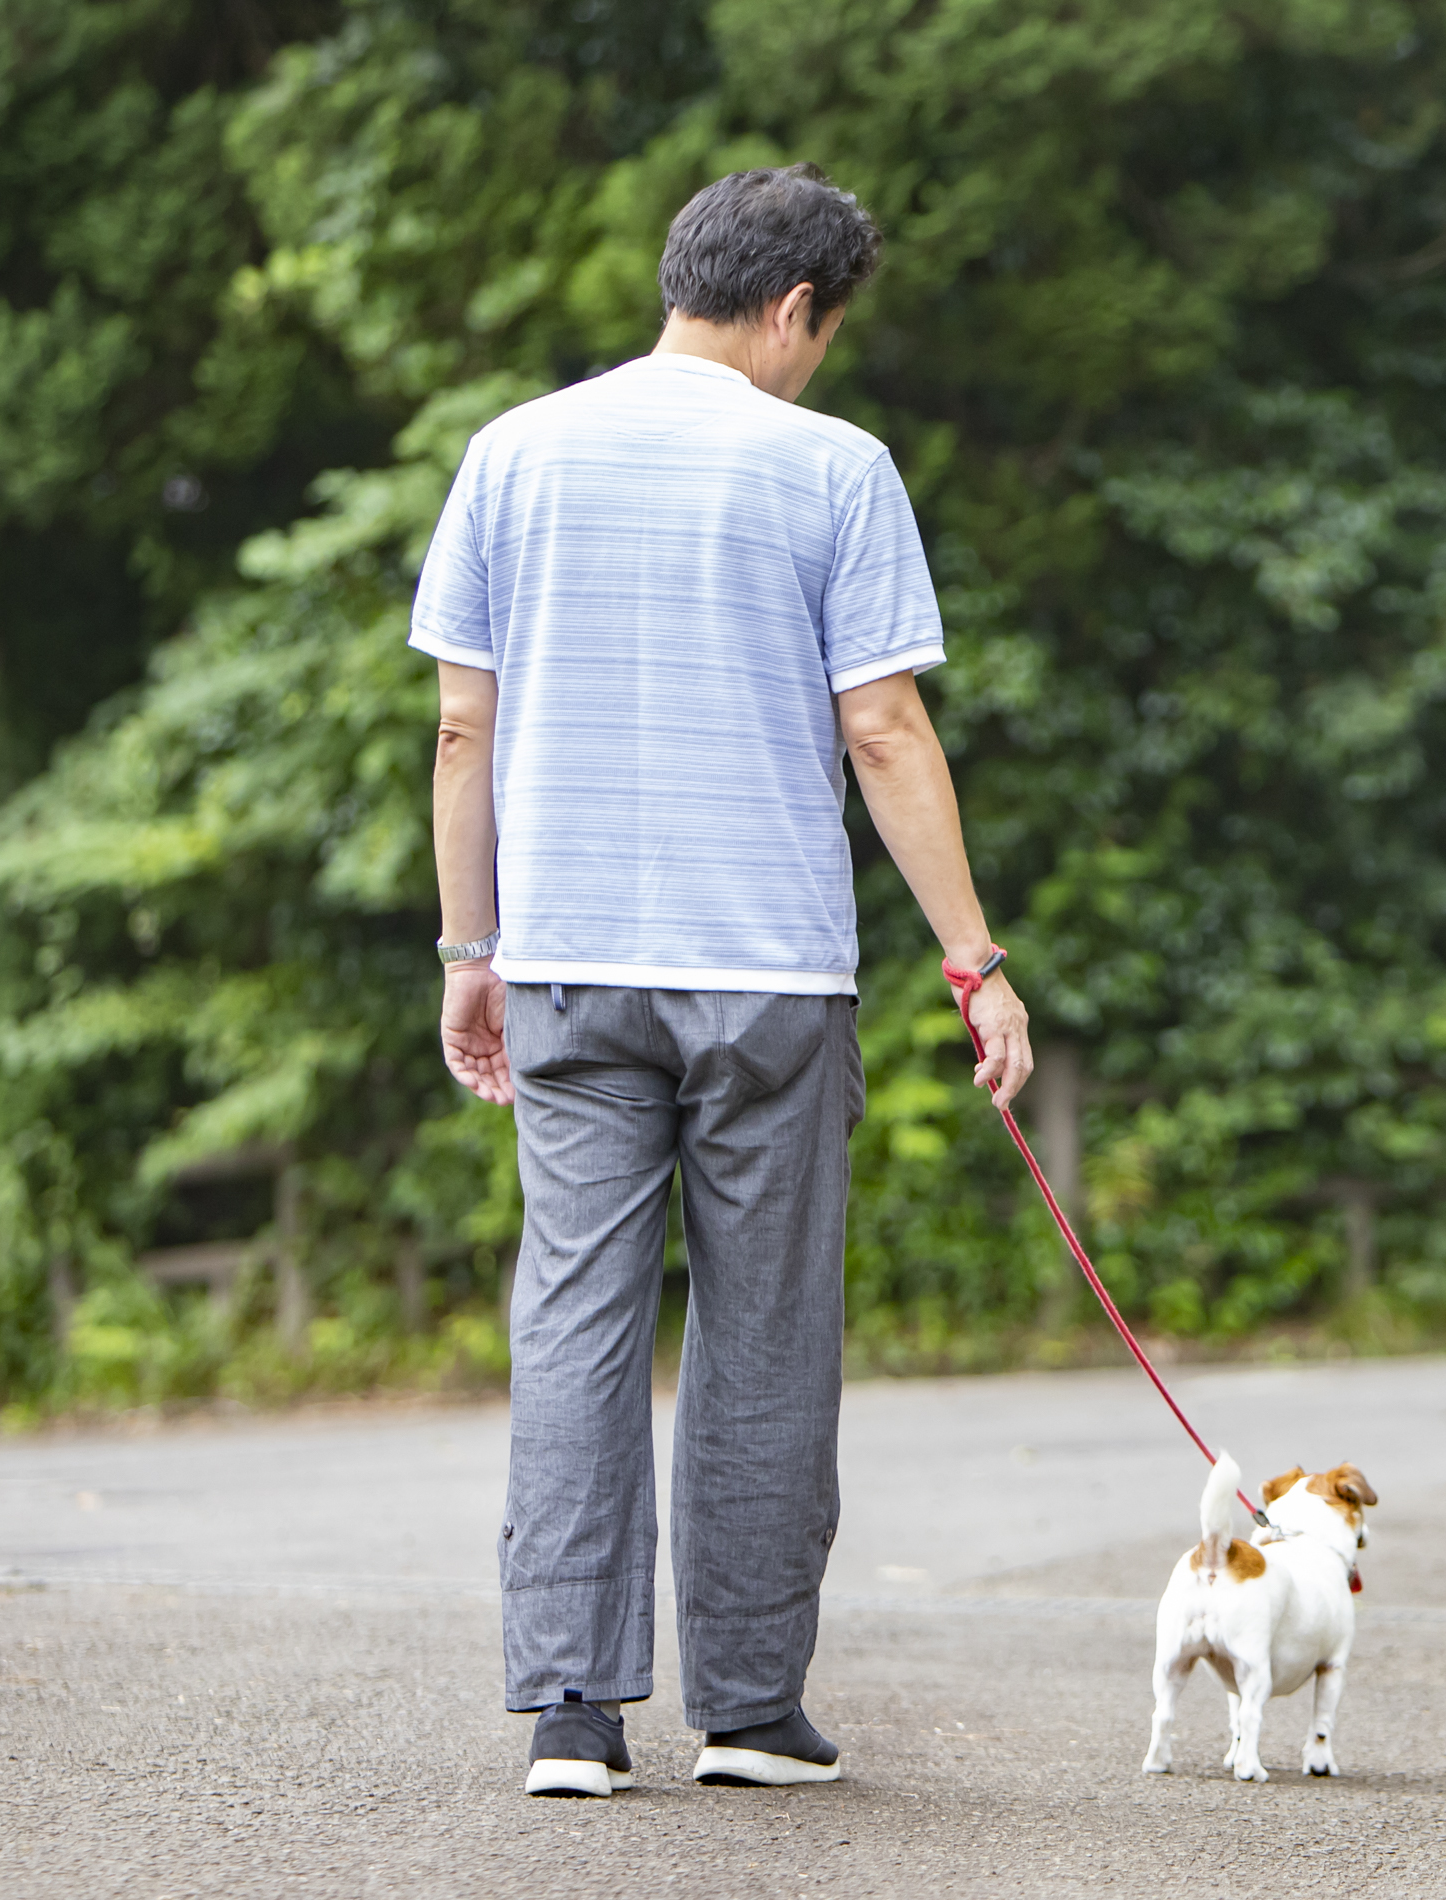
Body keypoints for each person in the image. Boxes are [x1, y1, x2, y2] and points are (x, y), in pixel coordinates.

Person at [412, 163, 1033, 1797]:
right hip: (768, 976)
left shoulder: (511, 455)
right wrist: (976, 962)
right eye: (826, 330)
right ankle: (751, 1711)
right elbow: (884, 729)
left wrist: (470, 949)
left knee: (576, 1321)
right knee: (764, 1334)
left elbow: (464, 730)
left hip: (564, 965)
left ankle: (572, 1713)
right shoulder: (835, 470)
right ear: (793, 308)